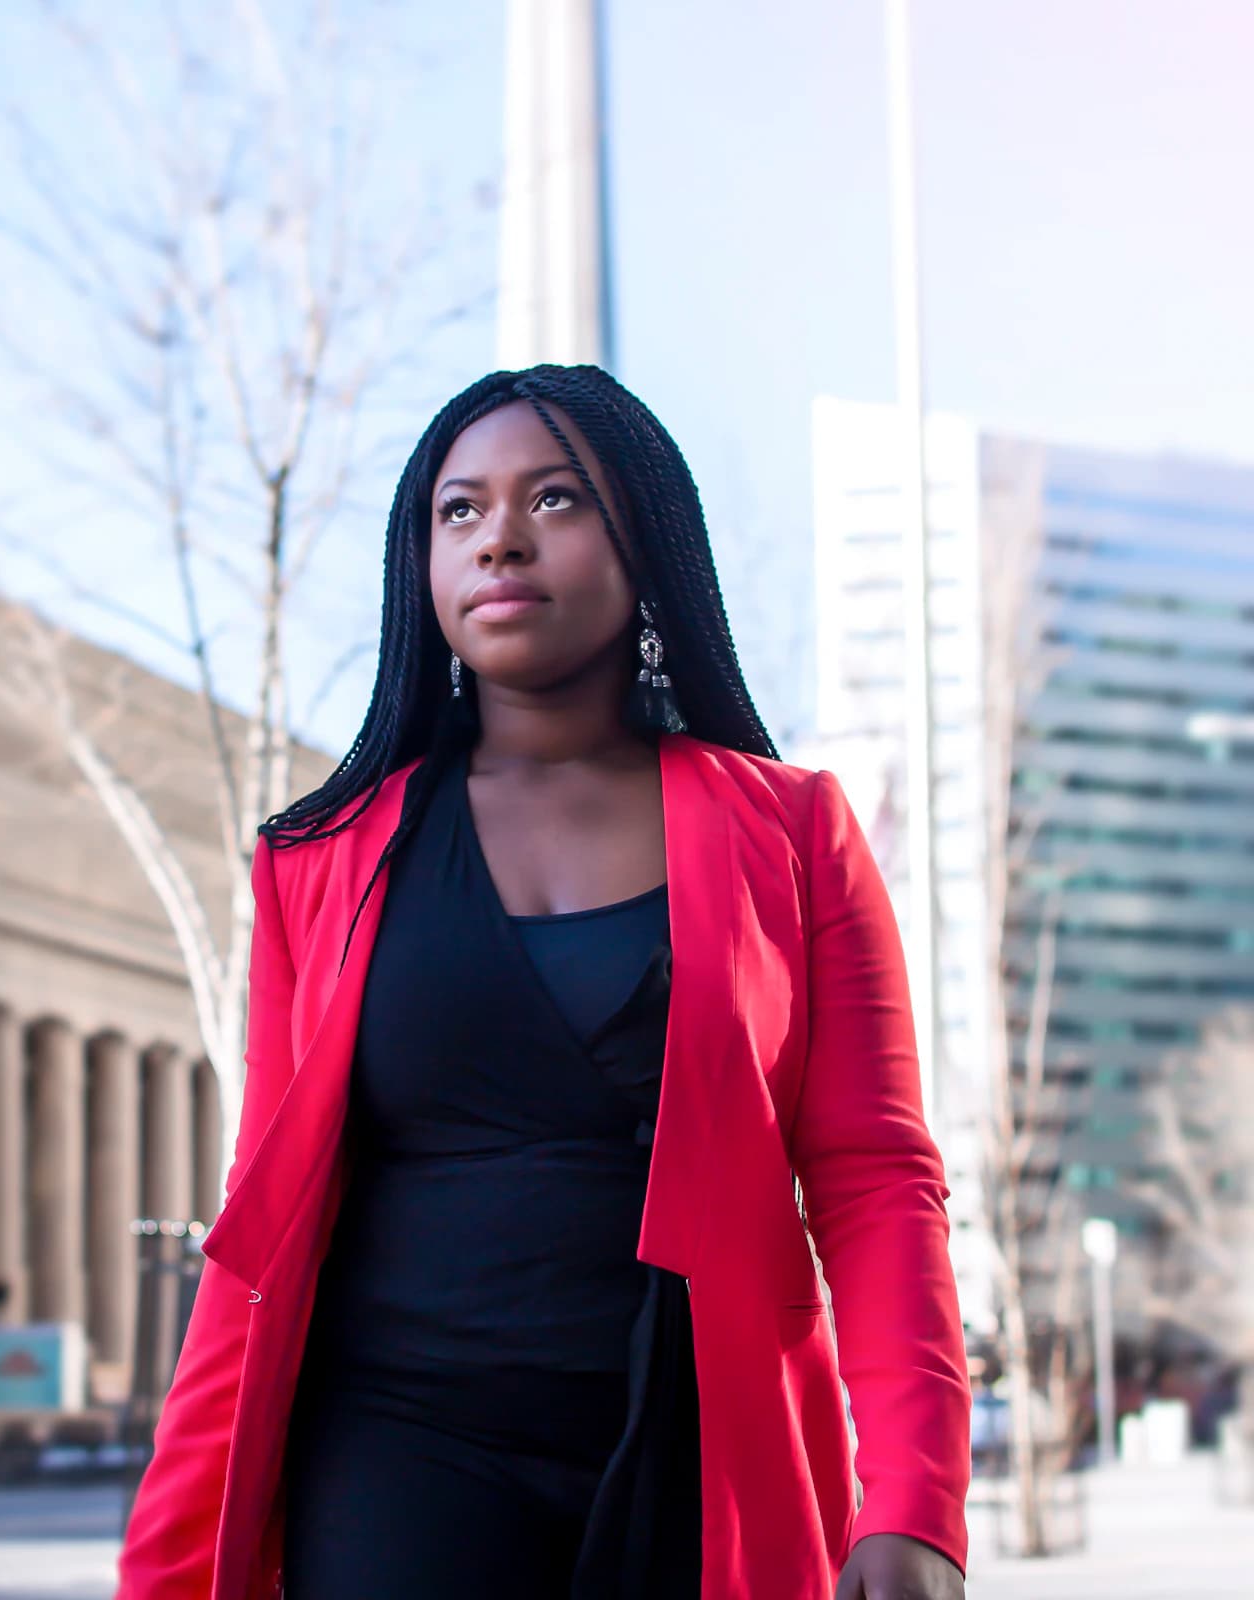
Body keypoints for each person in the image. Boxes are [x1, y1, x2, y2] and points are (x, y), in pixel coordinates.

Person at [117, 365, 970, 1600]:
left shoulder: (793, 834)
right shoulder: (316, 861)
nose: (500, 538)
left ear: (647, 541)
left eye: (555, 498)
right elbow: (265, 1212)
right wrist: (170, 1547)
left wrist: (914, 1503)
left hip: (697, 1444)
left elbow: (875, 1181)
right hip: (395, 1444)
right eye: (457, 512)